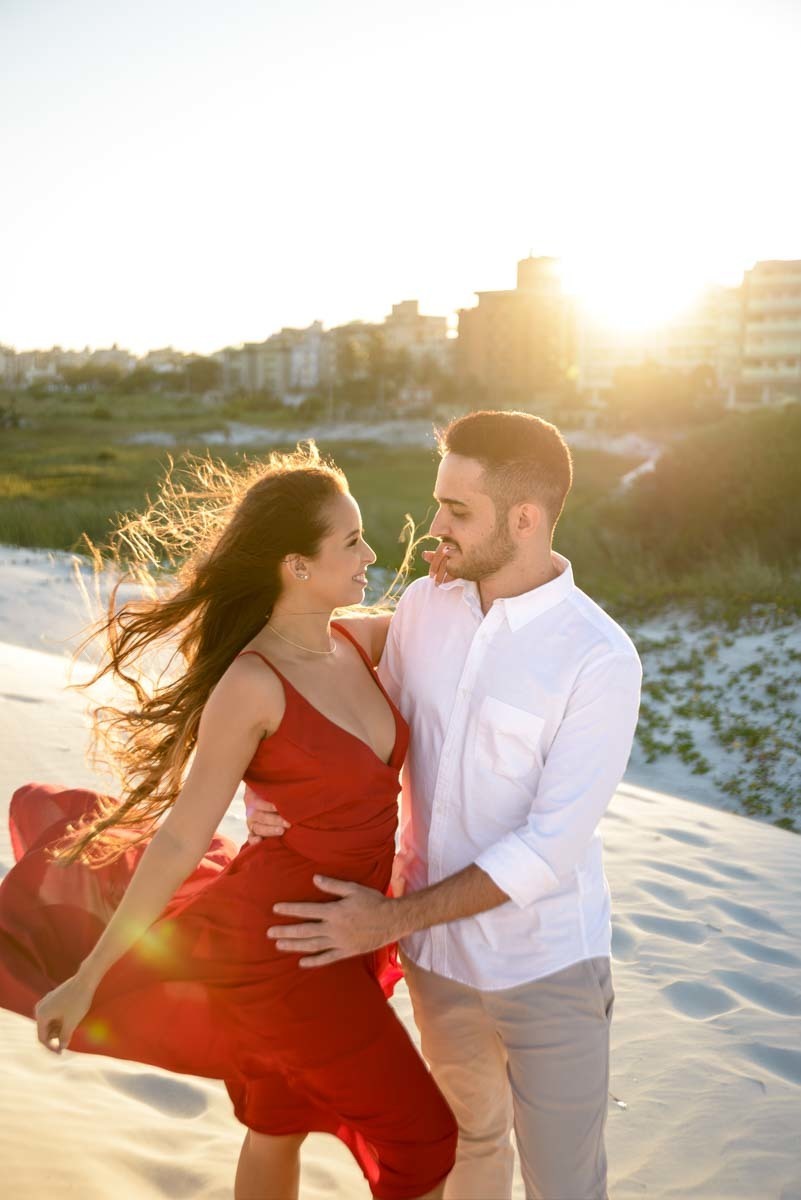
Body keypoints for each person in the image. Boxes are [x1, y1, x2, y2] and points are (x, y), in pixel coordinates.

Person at [0, 444, 457, 1200]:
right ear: (296, 566)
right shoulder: (252, 683)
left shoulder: (357, 640)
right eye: (351, 541)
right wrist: (89, 978)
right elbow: (181, 837)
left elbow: (441, 618)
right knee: (424, 1138)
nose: (372, 555)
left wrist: (461, 564)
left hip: (343, 934)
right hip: (284, 955)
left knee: (277, 1121)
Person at [246, 411, 643, 1200]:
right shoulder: (426, 609)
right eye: (438, 503)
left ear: (523, 520)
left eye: (457, 511)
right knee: (468, 1153)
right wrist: (270, 789)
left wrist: (388, 921)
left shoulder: (598, 658)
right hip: (438, 966)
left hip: (546, 968)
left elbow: (546, 850)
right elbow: (349, 704)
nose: (434, 527)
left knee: (565, 1185)